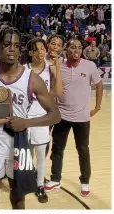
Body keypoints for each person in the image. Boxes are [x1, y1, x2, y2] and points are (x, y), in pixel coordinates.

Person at [0, 27, 61, 209]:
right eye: (6, 44)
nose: (11, 49)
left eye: (16, 45)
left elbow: (55, 115)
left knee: (18, 200)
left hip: (19, 146)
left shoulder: (32, 79)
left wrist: (26, 122)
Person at [45, 39, 103, 197]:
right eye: (72, 47)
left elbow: (99, 84)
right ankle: (55, 179)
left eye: (79, 47)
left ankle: (85, 181)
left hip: (82, 118)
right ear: (66, 50)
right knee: (57, 148)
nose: (76, 50)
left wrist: (97, 107)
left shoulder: (90, 66)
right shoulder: (59, 65)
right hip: (62, 116)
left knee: (83, 150)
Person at [24, 37, 62, 203]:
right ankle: (26, 181)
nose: (40, 52)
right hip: (24, 117)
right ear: (30, 52)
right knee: (25, 154)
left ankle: (39, 185)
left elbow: (58, 92)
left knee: (41, 154)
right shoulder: (23, 69)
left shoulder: (50, 69)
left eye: (42, 48)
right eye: (36, 49)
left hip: (41, 117)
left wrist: (58, 71)